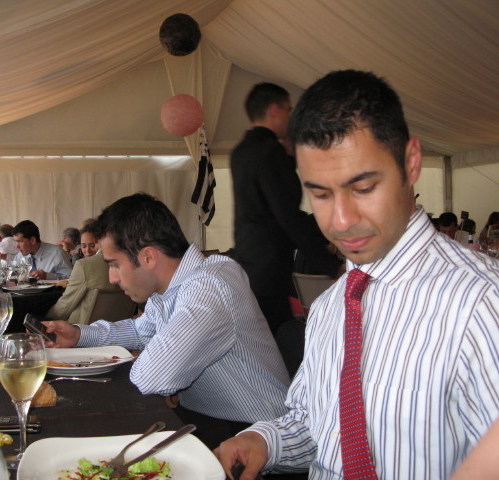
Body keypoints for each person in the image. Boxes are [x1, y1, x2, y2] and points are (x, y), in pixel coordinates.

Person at [215, 70, 499, 479]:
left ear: (411, 163)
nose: (342, 221)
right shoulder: (331, 306)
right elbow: (321, 424)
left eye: (363, 188)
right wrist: (267, 440)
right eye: (320, 194)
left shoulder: (482, 304)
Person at [44, 193, 290, 448]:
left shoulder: (210, 286)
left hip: (257, 438)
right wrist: (79, 335)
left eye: (114, 264)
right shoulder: (168, 290)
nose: (112, 278)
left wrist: (152, 362)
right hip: (208, 420)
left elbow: (152, 378)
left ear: (148, 257)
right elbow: (140, 331)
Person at [230, 82, 341, 334]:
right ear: (275, 110)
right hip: (270, 266)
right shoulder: (271, 152)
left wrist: (288, 158)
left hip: (248, 261)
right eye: (289, 110)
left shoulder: (241, 152)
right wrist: (330, 264)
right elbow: (287, 214)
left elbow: (267, 204)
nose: (291, 117)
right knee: (277, 337)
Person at [45, 247, 123, 325]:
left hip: (79, 329)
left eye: (92, 245)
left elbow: (64, 307)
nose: (113, 280)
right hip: (120, 327)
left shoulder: (84, 265)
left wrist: (45, 317)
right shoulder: (126, 259)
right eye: (84, 246)